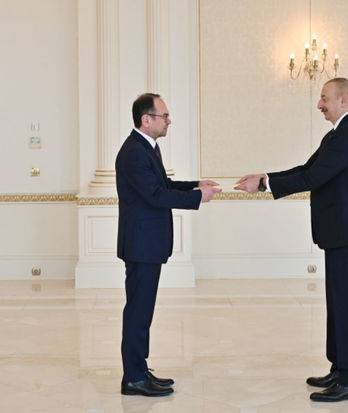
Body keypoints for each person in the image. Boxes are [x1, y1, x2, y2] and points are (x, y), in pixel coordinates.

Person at [235, 78, 348, 402]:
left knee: (346, 305)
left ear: (343, 100)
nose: (319, 105)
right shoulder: (338, 133)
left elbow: (313, 177)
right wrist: (266, 178)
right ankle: (339, 368)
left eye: (324, 98)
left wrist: (265, 186)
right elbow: (308, 168)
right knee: (337, 303)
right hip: (340, 232)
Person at [115, 93, 221, 397]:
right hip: (141, 245)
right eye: (164, 116)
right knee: (138, 312)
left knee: (142, 311)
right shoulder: (134, 152)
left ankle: (139, 369)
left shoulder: (146, 148)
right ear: (146, 119)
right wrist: (197, 198)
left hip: (147, 244)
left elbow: (163, 186)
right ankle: (133, 378)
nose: (169, 121)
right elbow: (155, 196)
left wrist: (196, 185)